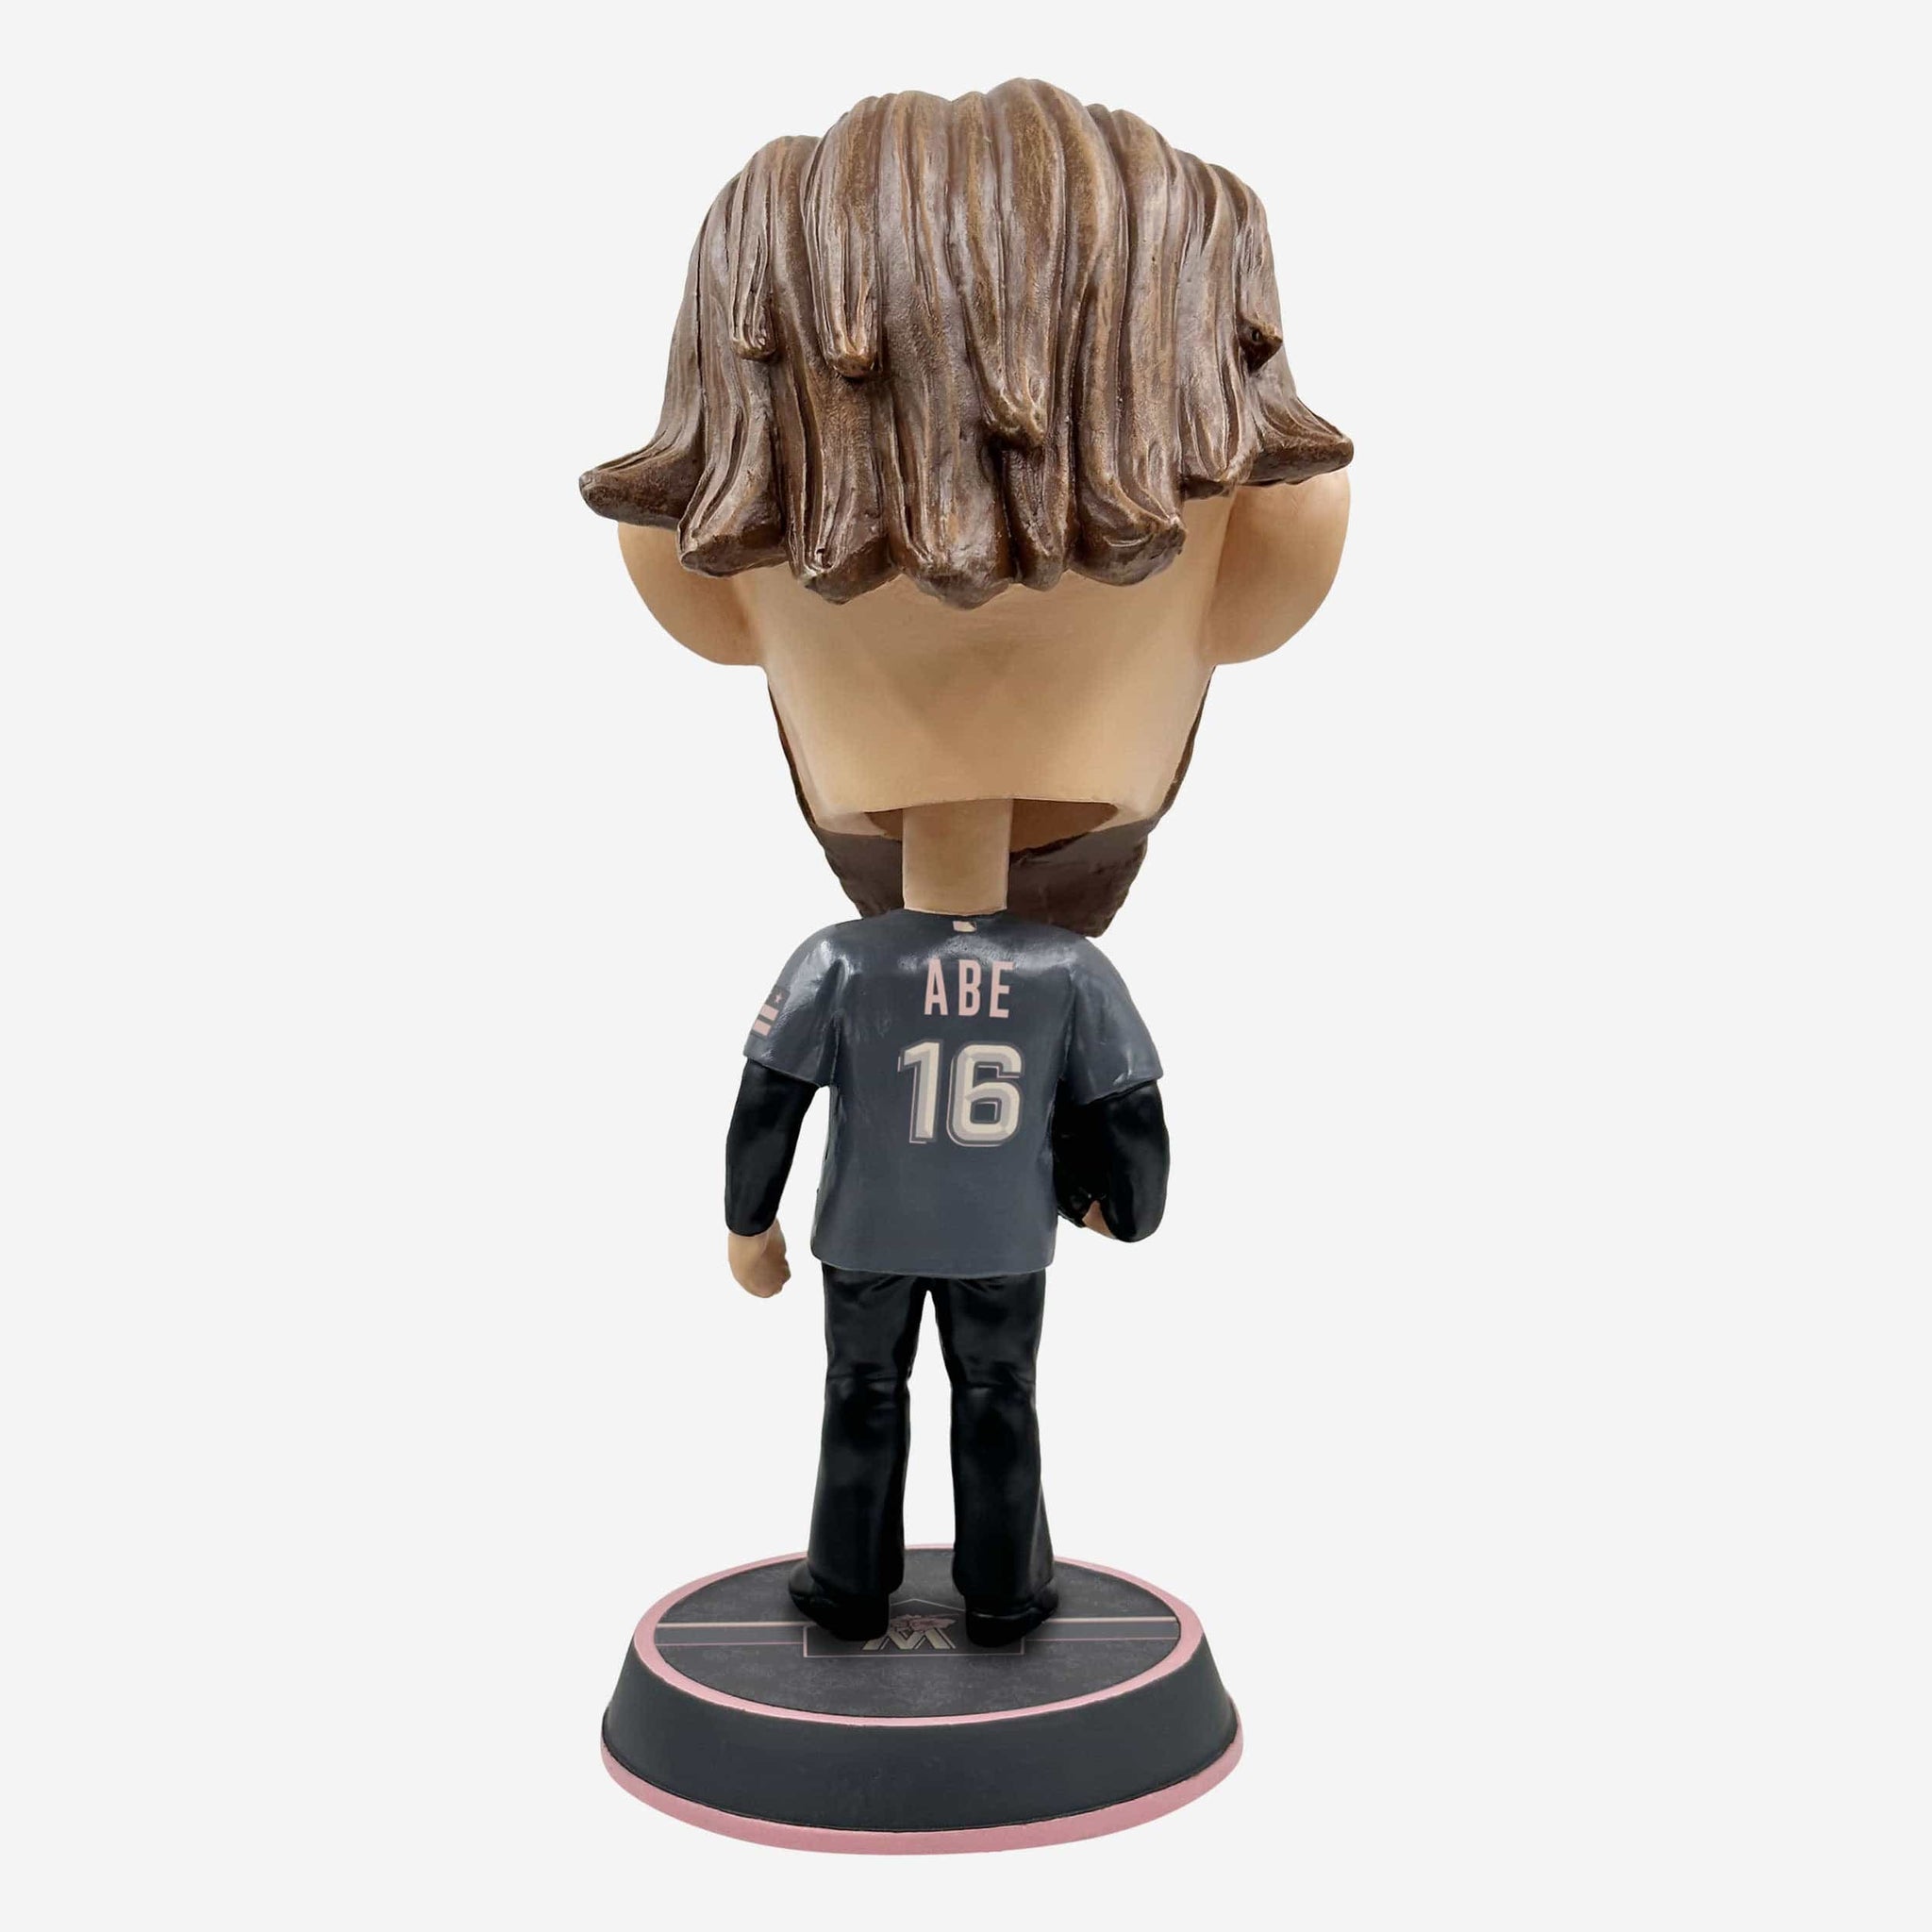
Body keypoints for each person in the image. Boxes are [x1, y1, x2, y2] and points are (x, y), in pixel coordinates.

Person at [580, 78, 1353, 1641]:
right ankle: (1004, 1592)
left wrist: (748, 1223)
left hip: (870, 1236)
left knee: (860, 1404)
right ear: (1283, 547)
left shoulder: (839, 964)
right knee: (999, 1407)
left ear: (685, 573)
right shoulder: (1064, 974)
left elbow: (767, 1103)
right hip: (999, 1239)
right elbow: (1129, 1123)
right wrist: (1122, 1207)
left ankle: (850, 1583)